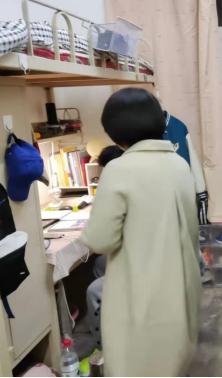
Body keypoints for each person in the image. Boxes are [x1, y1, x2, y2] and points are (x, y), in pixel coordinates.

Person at [81, 88, 201, 377]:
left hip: (142, 296)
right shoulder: (179, 164)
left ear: (115, 131)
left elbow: (100, 239)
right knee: (173, 362)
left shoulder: (119, 169)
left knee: (139, 364)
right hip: (181, 289)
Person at [85, 145, 124, 350]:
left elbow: (97, 241)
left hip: (146, 263)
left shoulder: (118, 188)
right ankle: (117, 317)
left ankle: (104, 349)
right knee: (100, 263)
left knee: (93, 290)